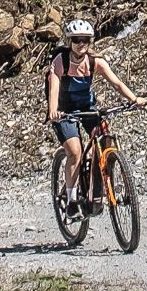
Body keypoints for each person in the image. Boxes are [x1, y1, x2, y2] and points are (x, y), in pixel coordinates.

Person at [44, 15, 141, 198]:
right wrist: (53, 110)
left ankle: (106, 182)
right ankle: (71, 198)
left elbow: (117, 84)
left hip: (87, 107)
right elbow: (54, 86)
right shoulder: (60, 61)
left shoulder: (94, 61)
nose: (81, 44)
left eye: (85, 40)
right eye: (76, 40)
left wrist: (134, 99)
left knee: (106, 140)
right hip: (64, 111)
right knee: (74, 151)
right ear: (69, 41)